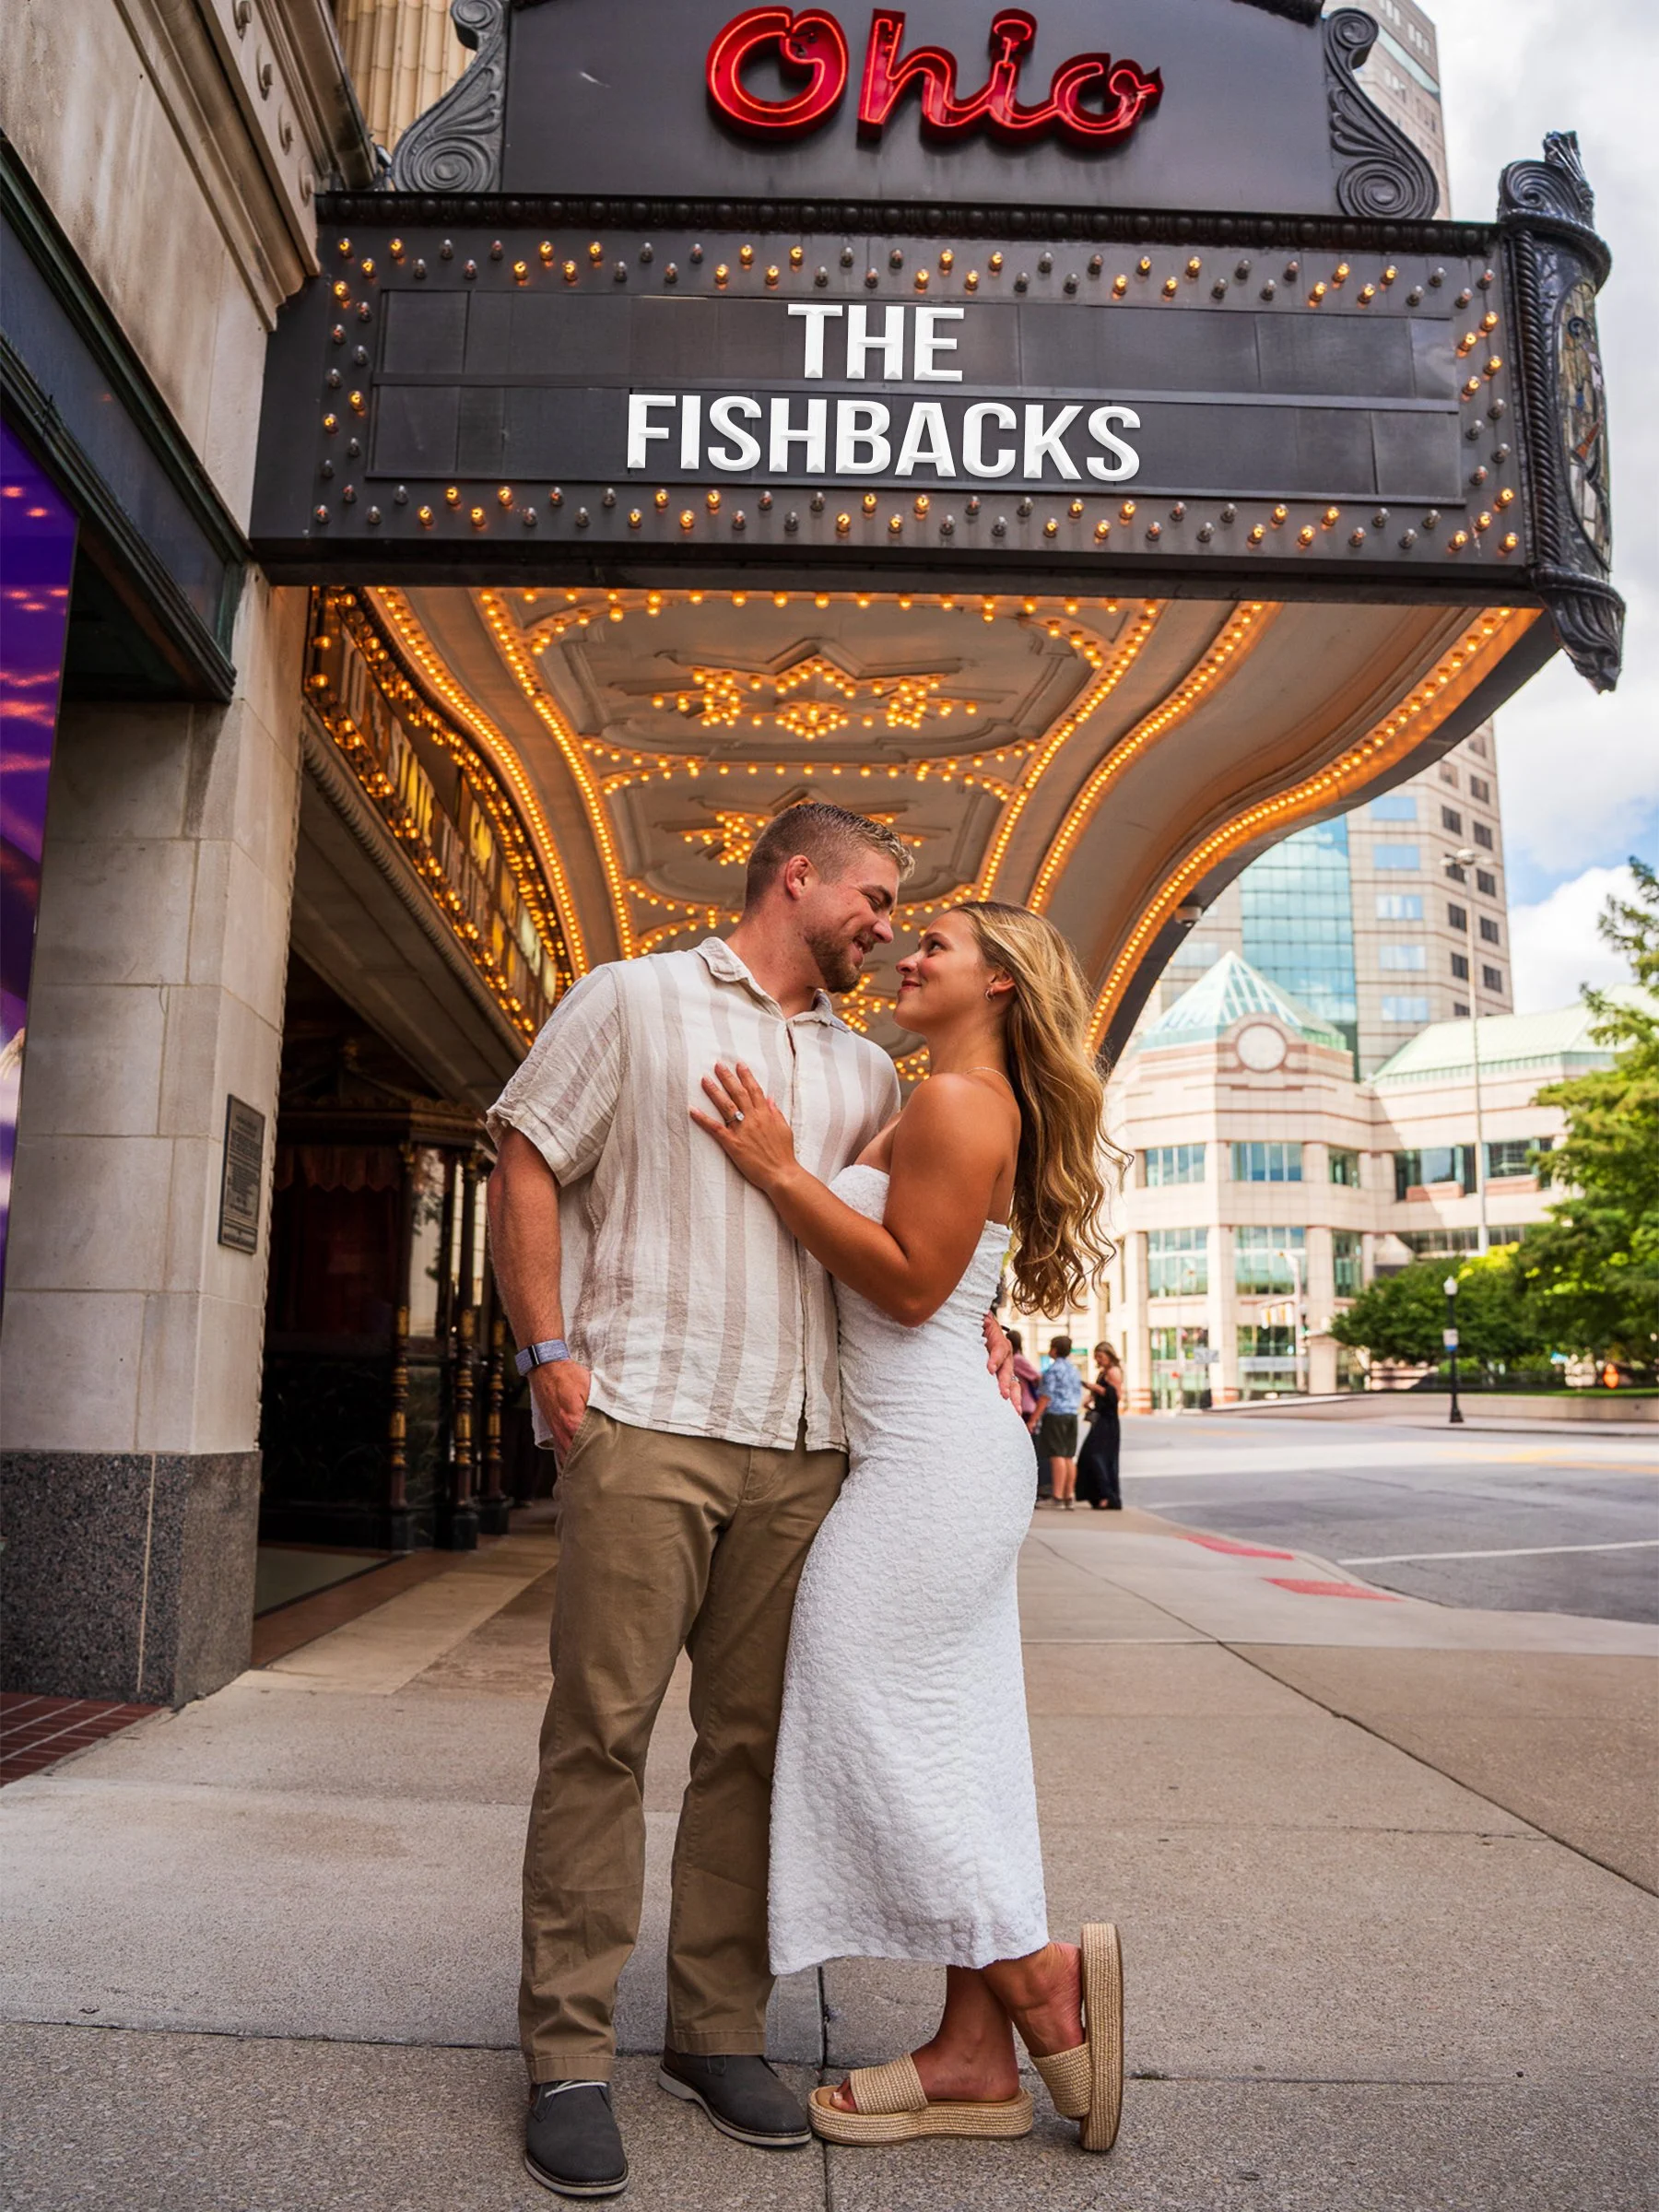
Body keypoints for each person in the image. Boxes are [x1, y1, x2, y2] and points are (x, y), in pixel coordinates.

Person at [486, 804, 1018, 2200]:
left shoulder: (862, 1072)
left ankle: (717, 2033)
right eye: (875, 896)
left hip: (803, 1451)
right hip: (647, 1416)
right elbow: (527, 1152)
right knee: (600, 1735)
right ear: (802, 878)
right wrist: (548, 1350)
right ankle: (571, 2054)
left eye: (905, 910)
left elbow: (912, 1244)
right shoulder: (634, 999)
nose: (887, 925)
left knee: (751, 1749)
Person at [693, 900, 1130, 2158]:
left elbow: (908, 1281)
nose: (909, 954)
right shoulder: (932, 1095)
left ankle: (1034, 1971)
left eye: (938, 943)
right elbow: (944, 1287)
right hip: (933, 1446)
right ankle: (973, 2060)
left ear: (999, 984)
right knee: (963, 1739)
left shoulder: (954, 1104)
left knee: (861, 1702)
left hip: (929, 1459)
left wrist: (777, 1169)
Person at [1077, 1341, 1124, 1510]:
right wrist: (1089, 1399)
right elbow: (1098, 1394)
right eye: (1096, 1357)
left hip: (1109, 1420)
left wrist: (1094, 1388)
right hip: (1100, 1418)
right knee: (1090, 1456)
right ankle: (1097, 1495)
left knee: (1100, 1458)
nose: (1098, 1360)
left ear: (1109, 1356)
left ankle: (1108, 1496)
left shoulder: (1114, 1372)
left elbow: (1115, 1396)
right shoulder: (1103, 1372)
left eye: (1101, 1357)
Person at [1039, 1335, 1084, 1509]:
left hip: (1056, 1414)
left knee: (1057, 1455)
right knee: (1068, 1456)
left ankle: (1057, 1496)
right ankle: (1069, 1495)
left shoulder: (1053, 1370)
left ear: (1055, 1349)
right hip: (1072, 1414)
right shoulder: (1074, 1370)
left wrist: (1034, 1418)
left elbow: (1046, 1396)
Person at [1006, 1326, 1048, 1493]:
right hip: (1020, 1406)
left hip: (1026, 1407)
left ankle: (1032, 1487)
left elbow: (1037, 1376)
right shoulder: (1014, 1358)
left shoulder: (1018, 1359)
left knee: (1027, 1448)